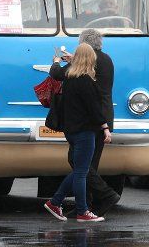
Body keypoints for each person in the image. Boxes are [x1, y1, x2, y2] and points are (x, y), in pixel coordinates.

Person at [51, 29, 120, 216]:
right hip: (103, 114)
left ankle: (105, 196)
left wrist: (57, 61)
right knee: (89, 164)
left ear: (84, 44)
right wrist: (74, 59)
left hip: (91, 119)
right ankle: (85, 206)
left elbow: (58, 74)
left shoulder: (84, 63)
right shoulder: (107, 59)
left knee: (80, 163)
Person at [43, 43, 109, 223]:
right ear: (91, 59)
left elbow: (57, 72)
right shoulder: (86, 80)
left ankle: (55, 202)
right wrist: (105, 127)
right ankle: (82, 211)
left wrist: (62, 61)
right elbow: (94, 109)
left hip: (71, 130)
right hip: (84, 131)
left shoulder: (69, 77)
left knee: (80, 170)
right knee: (81, 173)